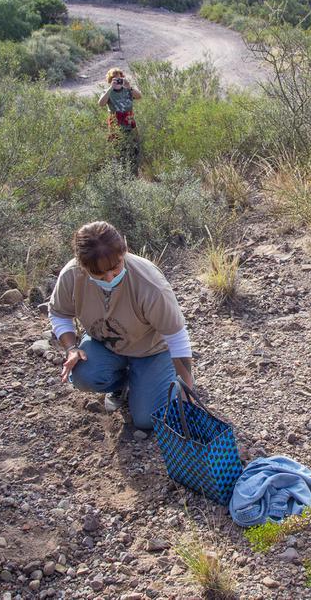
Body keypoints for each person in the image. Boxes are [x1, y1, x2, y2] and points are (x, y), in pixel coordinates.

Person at [48, 221, 193, 429]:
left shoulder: (149, 283)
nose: (109, 278)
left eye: (115, 268)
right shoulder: (72, 275)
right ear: (83, 266)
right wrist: (71, 348)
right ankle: (124, 383)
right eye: (99, 274)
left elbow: (176, 337)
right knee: (83, 375)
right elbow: (58, 313)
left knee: (146, 420)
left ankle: (164, 376)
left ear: (124, 250)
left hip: (152, 350)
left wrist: (187, 390)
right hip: (105, 345)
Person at [98, 67, 143, 171]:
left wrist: (129, 86)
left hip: (130, 123)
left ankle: (133, 173)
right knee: (118, 151)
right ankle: (121, 175)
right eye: (115, 79)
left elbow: (139, 96)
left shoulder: (128, 90)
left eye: (120, 78)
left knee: (134, 149)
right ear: (110, 81)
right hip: (116, 125)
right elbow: (101, 103)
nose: (118, 81)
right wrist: (111, 88)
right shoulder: (107, 92)